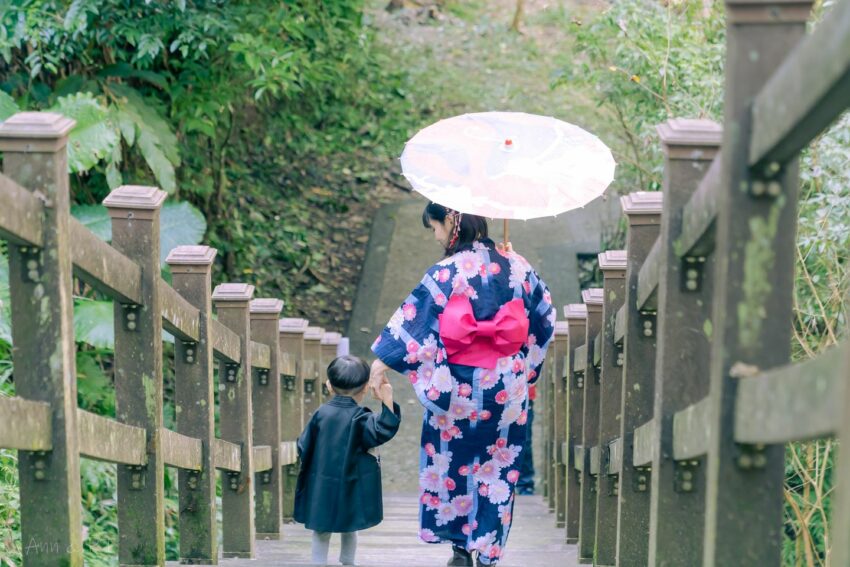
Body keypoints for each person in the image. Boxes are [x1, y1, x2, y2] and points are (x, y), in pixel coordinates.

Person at [370, 202, 555, 567]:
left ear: (451, 222)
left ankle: (458, 546)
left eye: (435, 228)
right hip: (506, 390)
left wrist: (381, 362)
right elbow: (544, 320)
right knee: (500, 467)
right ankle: (487, 550)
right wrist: (525, 368)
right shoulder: (518, 267)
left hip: (455, 389)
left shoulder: (443, 273)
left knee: (451, 461)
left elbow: (414, 325)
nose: (436, 236)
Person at [294, 355, 401, 566]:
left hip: (321, 481)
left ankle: (318, 562)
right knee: (350, 525)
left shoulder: (320, 414)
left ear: (328, 386)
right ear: (364, 390)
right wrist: (387, 398)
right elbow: (382, 430)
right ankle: (348, 561)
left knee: (321, 528)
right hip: (351, 481)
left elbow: (303, 445)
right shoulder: (360, 417)